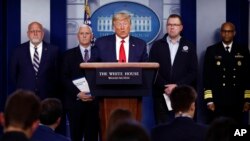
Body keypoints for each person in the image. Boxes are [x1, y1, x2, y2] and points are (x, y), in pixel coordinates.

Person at [149, 14, 198, 124]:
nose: (172, 27)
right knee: (163, 130)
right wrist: (166, 87)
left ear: (181, 27)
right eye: (169, 24)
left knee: (183, 130)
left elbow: (193, 72)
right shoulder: (157, 46)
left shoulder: (189, 46)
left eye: (175, 24)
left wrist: (176, 86)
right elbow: (152, 71)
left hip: (183, 96)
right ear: (166, 26)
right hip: (162, 95)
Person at [203, 22, 250, 124]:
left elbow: (247, 77)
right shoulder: (211, 50)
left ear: (234, 33)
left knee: (237, 132)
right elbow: (207, 77)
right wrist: (209, 100)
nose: (226, 34)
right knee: (218, 133)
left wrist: (247, 99)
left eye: (229, 32)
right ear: (221, 33)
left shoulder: (243, 50)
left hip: (237, 101)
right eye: (224, 31)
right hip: (218, 101)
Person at [61, 24, 99, 141]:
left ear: (91, 36)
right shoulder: (68, 55)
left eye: (87, 33)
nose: (84, 36)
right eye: (81, 34)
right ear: (77, 36)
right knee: (75, 137)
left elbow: (104, 76)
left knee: (92, 137)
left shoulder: (100, 54)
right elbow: (63, 78)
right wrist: (78, 93)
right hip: (75, 104)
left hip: (94, 104)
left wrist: (95, 93)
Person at [10, 21, 60, 100]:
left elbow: (57, 75)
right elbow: (14, 75)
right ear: (28, 34)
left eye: (38, 31)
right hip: (25, 98)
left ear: (42, 34)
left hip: (47, 99)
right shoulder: (18, 51)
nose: (35, 33)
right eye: (32, 31)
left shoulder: (53, 50)